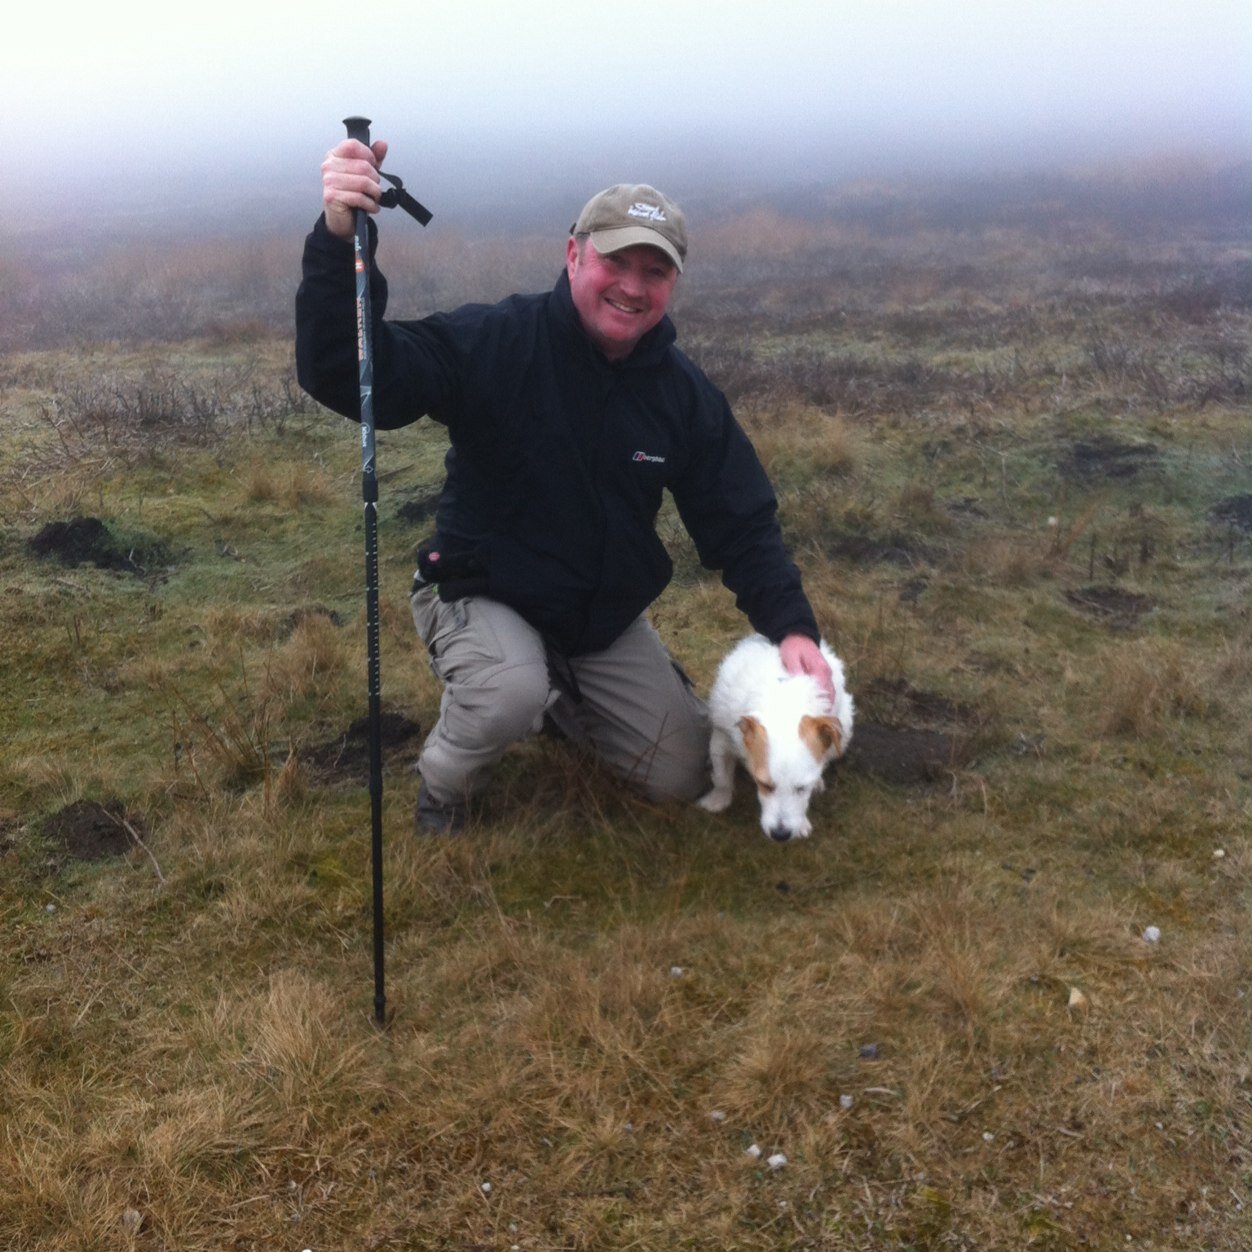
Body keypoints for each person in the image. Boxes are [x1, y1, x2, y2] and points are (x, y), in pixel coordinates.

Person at [296, 135, 835, 833]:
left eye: (655, 271)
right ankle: (445, 786)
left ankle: (557, 700)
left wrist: (791, 624)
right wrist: (341, 239)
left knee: (683, 774)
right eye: (616, 260)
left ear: (673, 284)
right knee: (506, 692)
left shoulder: (683, 396)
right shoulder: (496, 341)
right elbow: (351, 372)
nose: (633, 287)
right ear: (574, 253)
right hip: (479, 589)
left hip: (593, 619)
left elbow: (741, 520)